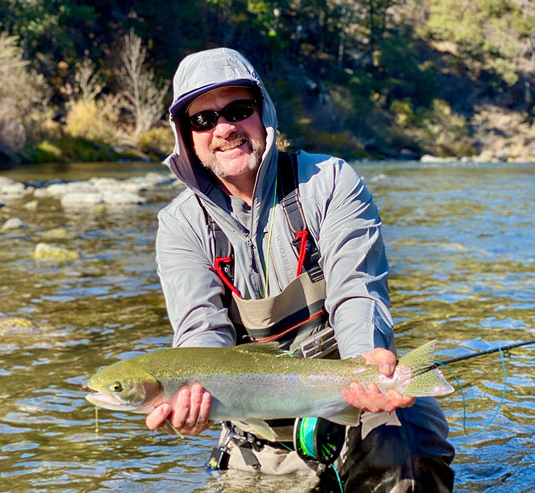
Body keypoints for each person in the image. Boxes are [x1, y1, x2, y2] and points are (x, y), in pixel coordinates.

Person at [146, 47, 455, 491]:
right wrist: (191, 391)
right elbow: (200, 330)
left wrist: (365, 355)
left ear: (263, 113)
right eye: (203, 120)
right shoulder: (180, 225)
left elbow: (357, 291)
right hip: (259, 437)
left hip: (355, 405)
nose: (225, 128)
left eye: (238, 110)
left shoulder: (328, 182)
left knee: (405, 446)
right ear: (186, 136)